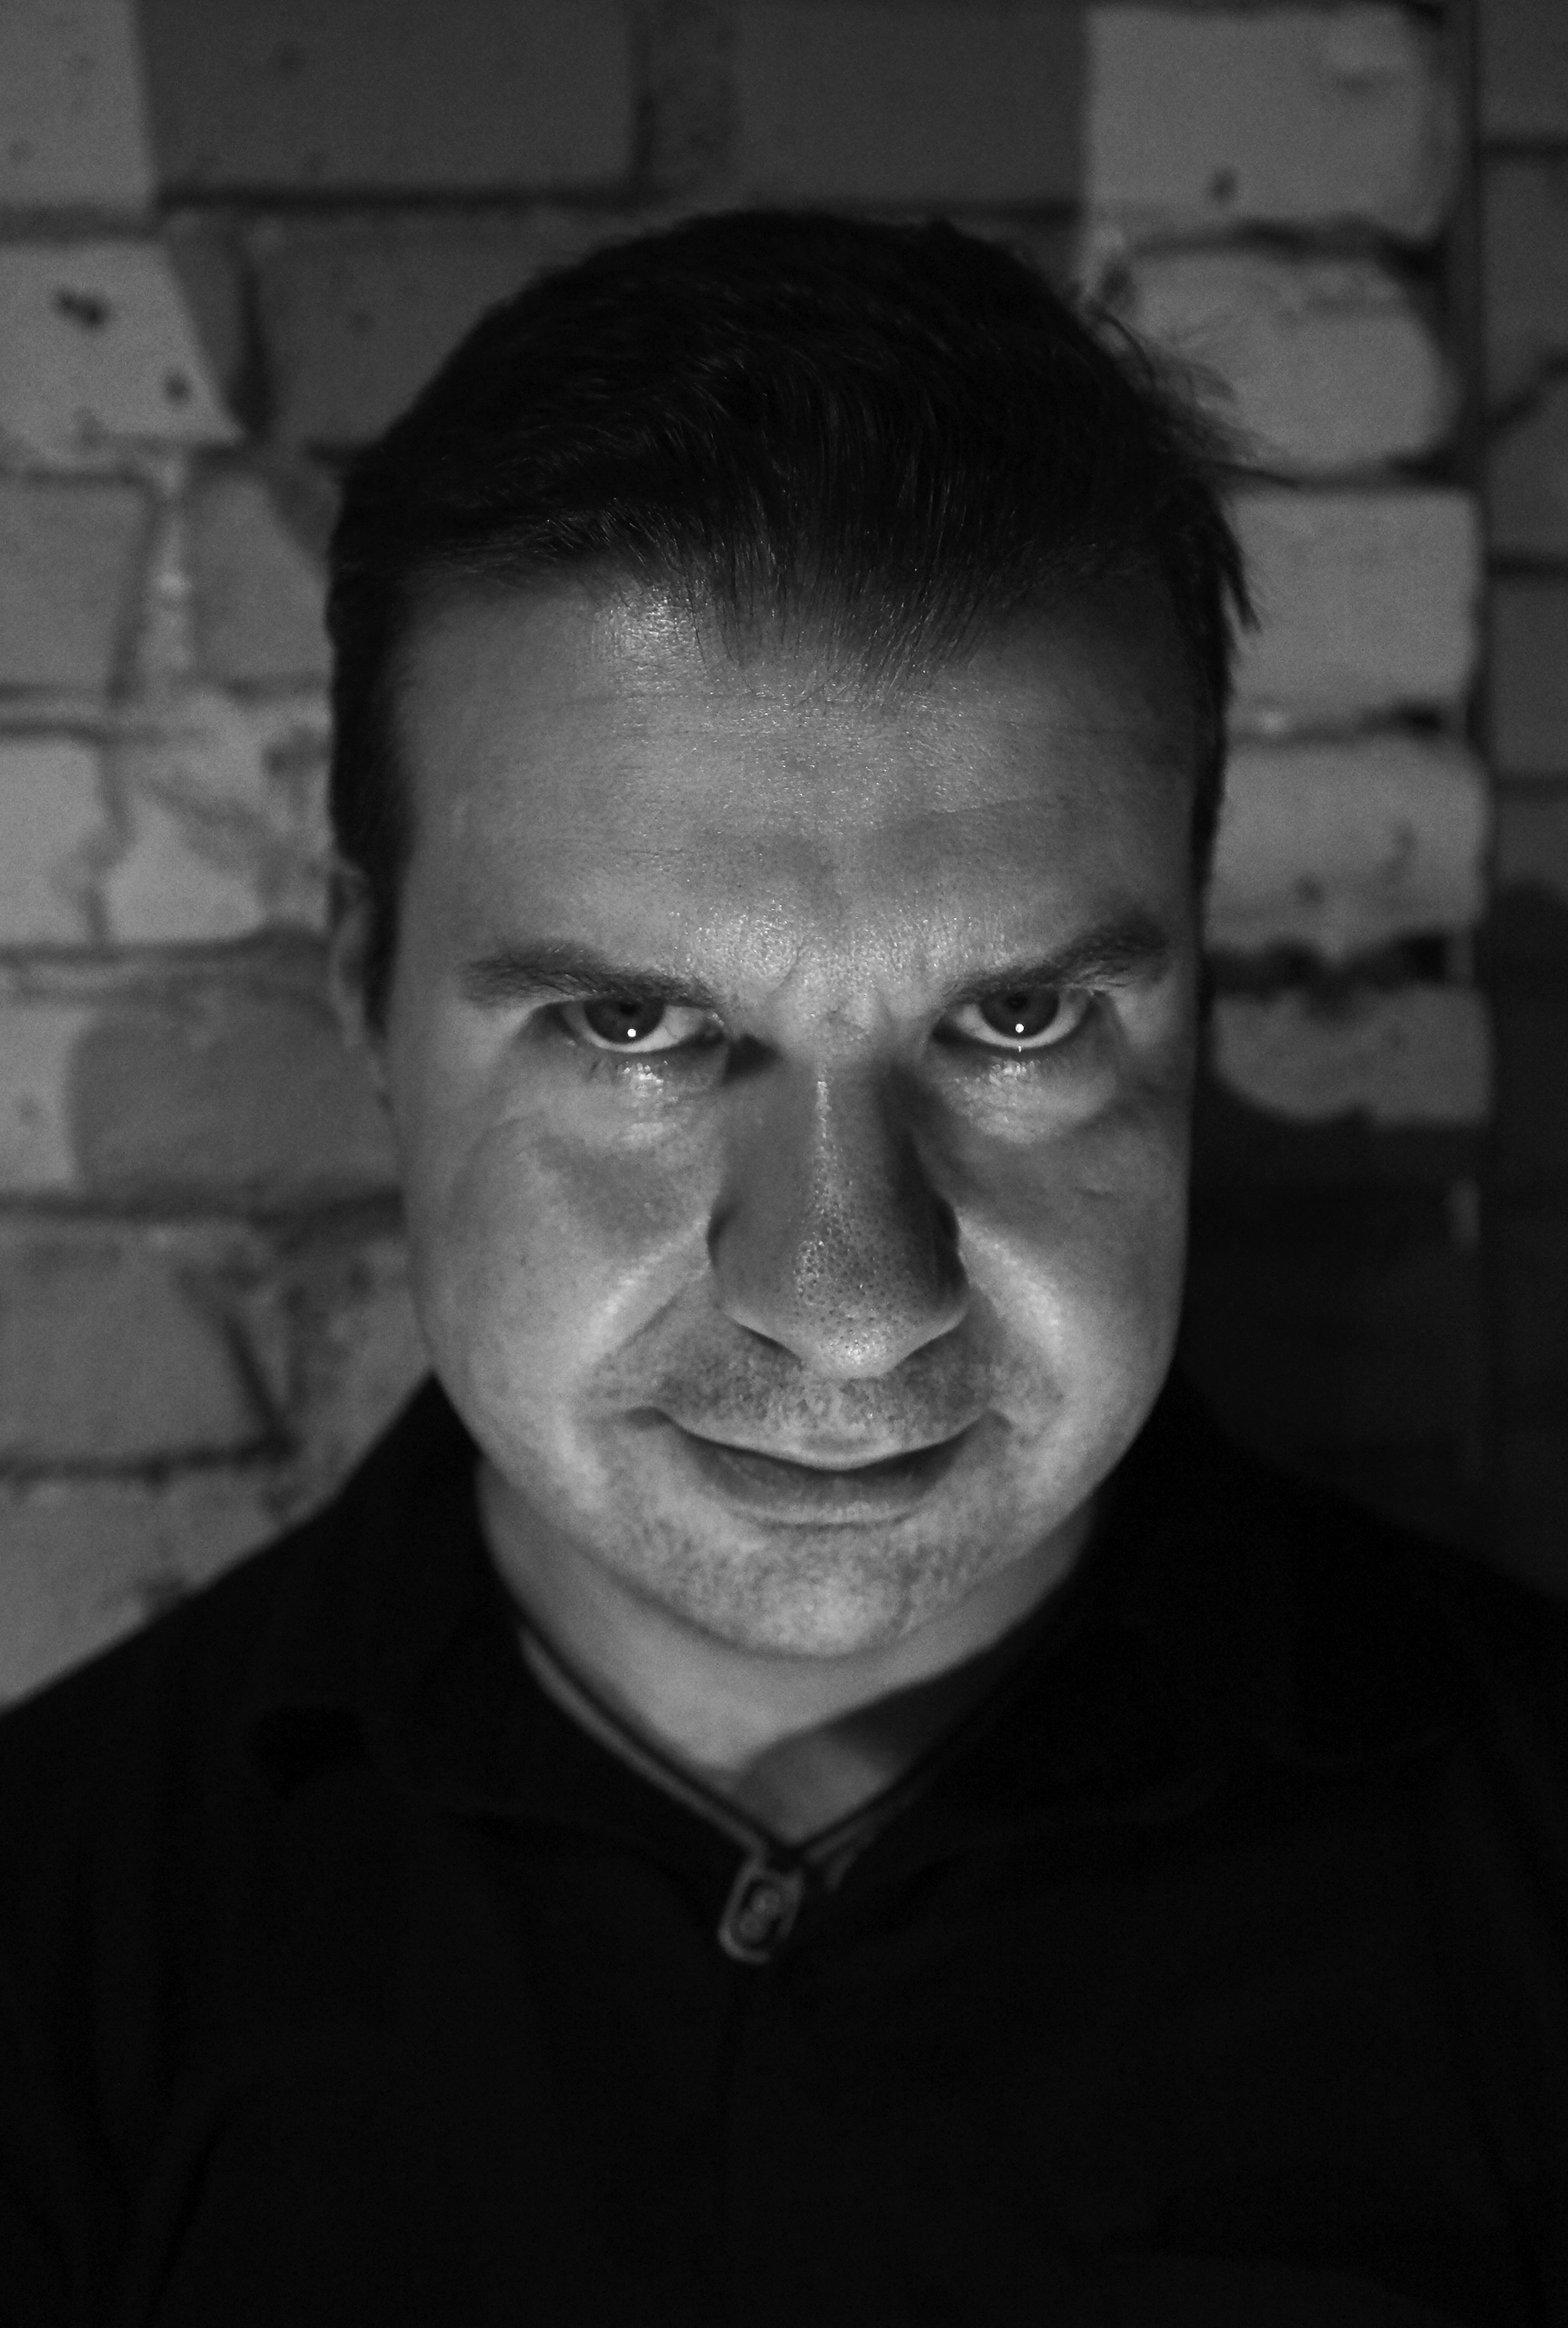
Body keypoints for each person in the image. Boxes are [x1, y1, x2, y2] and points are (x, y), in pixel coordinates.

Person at [0, 210, 1563, 2328]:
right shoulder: (51, 1955)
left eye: (1016, 1019)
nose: (847, 1296)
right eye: (635, 1025)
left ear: (1196, 991)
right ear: (365, 990)